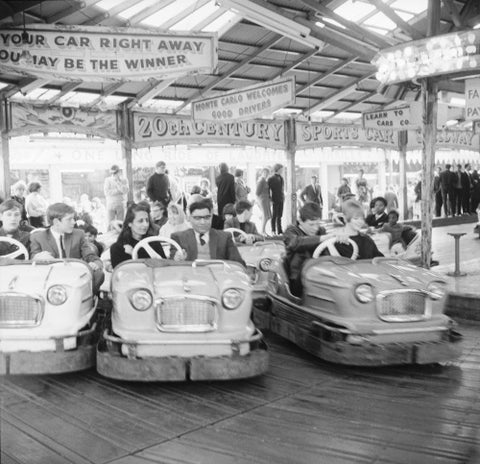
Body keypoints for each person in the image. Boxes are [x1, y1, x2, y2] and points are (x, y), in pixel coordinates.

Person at [30, 203, 104, 293]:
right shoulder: (38, 237)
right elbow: (33, 262)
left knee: (99, 274)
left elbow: (90, 256)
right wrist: (37, 258)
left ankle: (84, 298)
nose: (74, 222)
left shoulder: (79, 234)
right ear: (56, 222)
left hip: (75, 279)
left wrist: (96, 263)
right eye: (69, 219)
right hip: (50, 281)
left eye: (74, 218)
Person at [170, 198, 245, 265]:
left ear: (211, 217)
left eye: (206, 217)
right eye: (197, 218)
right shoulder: (178, 238)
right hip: (191, 279)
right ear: (190, 219)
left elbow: (238, 263)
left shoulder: (225, 237)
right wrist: (176, 259)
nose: (203, 222)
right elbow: (171, 266)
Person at [283, 202, 331, 297]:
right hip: (298, 278)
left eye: (317, 224)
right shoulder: (291, 231)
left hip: (320, 273)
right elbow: (295, 243)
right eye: (311, 224)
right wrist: (321, 238)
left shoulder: (321, 231)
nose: (315, 228)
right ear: (300, 220)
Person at [110, 202, 166, 269]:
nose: (145, 224)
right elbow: (120, 275)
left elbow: (165, 266)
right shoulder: (118, 248)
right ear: (129, 223)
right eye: (140, 221)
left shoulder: (154, 242)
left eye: (147, 220)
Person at [268, 163, 285, 235]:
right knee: (274, 216)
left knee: (280, 216)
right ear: (278, 169)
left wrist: (283, 197)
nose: (282, 170)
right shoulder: (271, 178)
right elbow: (267, 190)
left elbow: (282, 189)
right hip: (274, 199)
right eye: (281, 169)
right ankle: (273, 230)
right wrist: (270, 199)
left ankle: (280, 231)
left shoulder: (281, 178)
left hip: (281, 199)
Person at [256, 167, 271, 235]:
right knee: (265, 215)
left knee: (268, 216)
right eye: (264, 173)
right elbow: (257, 192)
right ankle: (262, 231)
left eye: (267, 173)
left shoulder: (265, 180)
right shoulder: (261, 181)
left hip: (266, 199)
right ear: (262, 173)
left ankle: (263, 230)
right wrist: (258, 201)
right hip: (262, 199)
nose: (266, 174)